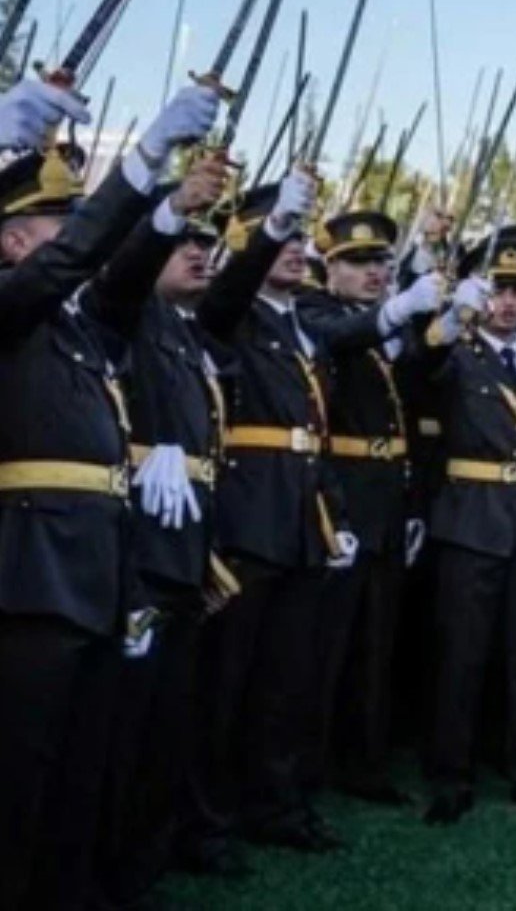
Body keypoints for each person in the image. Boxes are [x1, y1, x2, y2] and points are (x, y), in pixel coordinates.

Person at [0, 78, 219, 908]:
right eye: (62, 228)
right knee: (23, 778)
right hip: (30, 575)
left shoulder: (76, 330)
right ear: (18, 243)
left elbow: (116, 275)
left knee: (79, 774)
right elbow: (81, 257)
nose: (77, 245)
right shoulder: (12, 305)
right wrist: (143, 161)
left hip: (95, 573)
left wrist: (158, 196)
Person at [183, 171, 360, 863]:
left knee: (287, 678)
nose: (293, 251)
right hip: (249, 514)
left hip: (301, 514)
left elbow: (317, 431)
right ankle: (207, 819)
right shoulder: (229, 310)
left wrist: (333, 511)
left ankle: (277, 803)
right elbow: (227, 289)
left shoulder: (303, 324)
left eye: (296, 239)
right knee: (227, 680)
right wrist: (271, 229)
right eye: (275, 239)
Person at [89, 162, 233, 908]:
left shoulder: (184, 331)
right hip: (134, 546)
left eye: (209, 242)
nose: (199, 251)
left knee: (169, 715)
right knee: (125, 720)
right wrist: (167, 210)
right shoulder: (125, 311)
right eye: (185, 242)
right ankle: (113, 866)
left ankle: (150, 855)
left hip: (184, 544)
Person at [412, 228, 516, 824]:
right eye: (498, 290)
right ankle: (451, 776)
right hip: (471, 518)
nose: (509, 302)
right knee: (461, 655)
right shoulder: (455, 353)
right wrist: (443, 317)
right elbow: (418, 369)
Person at [300, 210, 440, 806]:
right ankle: (308, 765)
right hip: (342, 493)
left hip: (386, 493)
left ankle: (365, 761)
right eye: (358, 263)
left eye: (382, 262)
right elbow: (342, 339)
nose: (374, 272)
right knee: (325, 646)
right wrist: (400, 309)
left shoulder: (390, 328)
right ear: (328, 268)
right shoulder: (316, 313)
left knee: (376, 642)